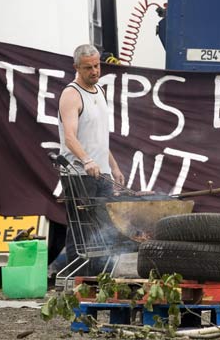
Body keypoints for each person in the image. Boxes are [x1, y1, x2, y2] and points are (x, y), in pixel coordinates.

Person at [58, 44, 124, 274]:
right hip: (78, 174)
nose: (95, 71)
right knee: (80, 230)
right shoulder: (71, 94)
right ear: (77, 67)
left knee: (104, 228)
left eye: (97, 66)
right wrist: (86, 160)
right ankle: (76, 281)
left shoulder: (100, 92)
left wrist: (113, 167)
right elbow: (70, 137)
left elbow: (99, 138)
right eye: (88, 68)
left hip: (102, 173)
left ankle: (98, 280)